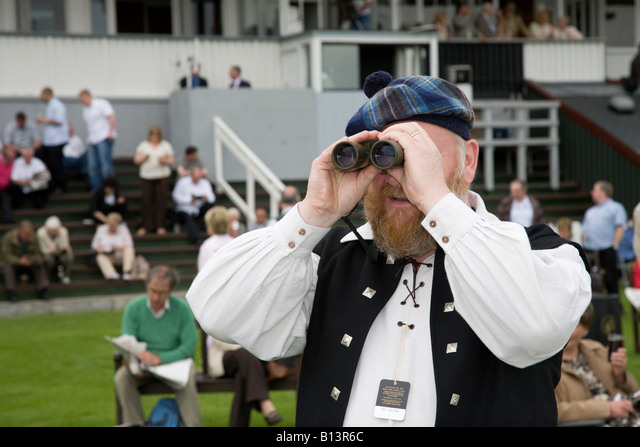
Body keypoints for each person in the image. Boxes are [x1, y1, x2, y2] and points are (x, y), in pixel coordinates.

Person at [186, 70, 592, 426]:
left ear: (468, 161)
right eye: (383, 158)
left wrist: (436, 201)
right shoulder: (335, 257)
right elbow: (219, 313)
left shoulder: (540, 255)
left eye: (421, 156)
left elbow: (531, 328)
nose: (396, 176)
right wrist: (312, 213)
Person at [196, 206, 283, 426]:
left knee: (246, 365)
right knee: (248, 358)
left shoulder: (208, 248)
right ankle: (265, 404)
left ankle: (254, 412)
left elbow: (202, 285)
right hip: (232, 346)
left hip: (230, 342)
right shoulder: (237, 243)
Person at [114, 265, 202, 427]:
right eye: (152, 290)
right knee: (122, 378)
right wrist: (132, 362)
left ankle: (193, 424)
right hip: (144, 363)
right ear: (147, 286)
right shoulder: (134, 308)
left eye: (161, 293)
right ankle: (134, 424)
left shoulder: (182, 309)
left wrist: (160, 358)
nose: (155, 297)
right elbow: (128, 341)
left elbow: (188, 347)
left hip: (175, 363)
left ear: (170, 291)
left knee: (186, 379)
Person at [556, 303, 640, 426]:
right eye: (562, 325)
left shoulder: (596, 350)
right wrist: (608, 409)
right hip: (595, 421)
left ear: (586, 329)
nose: (565, 332)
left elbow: (633, 390)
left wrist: (620, 375)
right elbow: (557, 411)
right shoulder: (545, 367)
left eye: (573, 326)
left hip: (626, 413)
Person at [582, 180, 628, 294]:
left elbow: (620, 227)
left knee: (611, 279)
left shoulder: (616, 208)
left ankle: (613, 306)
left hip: (607, 249)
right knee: (589, 279)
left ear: (603, 192)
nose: (592, 192)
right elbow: (584, 230)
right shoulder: (590, 211)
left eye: (594, 189)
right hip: (590, 250)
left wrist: (614, 245)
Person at [133, 125, 174, 236]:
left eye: (156, 135)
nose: (154, 137)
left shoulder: (165, 145)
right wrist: (144, 158)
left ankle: (160, 226)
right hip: (147, 176)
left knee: (160, 201)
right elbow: (136, 159)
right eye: (152, 135)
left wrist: (164, 159)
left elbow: (171, 159)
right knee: (147, 201)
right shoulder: (144, 145)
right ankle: (146, 226)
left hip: (161, 176)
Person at [78, 89, 117, 192]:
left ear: (88, 97)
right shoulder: (85, 110)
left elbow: (111, 116)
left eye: (83, 100)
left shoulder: (101, 104)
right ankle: (97, 189)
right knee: (92, 166)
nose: (82, 102)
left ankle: (111, 189)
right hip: (92, 139)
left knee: (105, 165)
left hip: (104, 137)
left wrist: (110, 132)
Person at [2, 220, 49, 302]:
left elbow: (39, 254)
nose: (28, 236)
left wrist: (32, 260)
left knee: (40, 265)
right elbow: (6, 255)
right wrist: (19, 261)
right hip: (15, 264)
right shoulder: (8, 237)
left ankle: (43, 290)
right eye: (26, 234)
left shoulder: (34, 238)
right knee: (7, 267)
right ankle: (12, 292)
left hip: (30, 264)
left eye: (30, 233)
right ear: (19, 230)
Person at [36, 87, 69, 193]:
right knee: (42, 157)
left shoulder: (57, 105)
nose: (40, 97)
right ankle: (50, 182)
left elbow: (59, 121)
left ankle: (60, 185)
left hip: (57, 140)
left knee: (56, 163)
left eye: (42, 95)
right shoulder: (50, 105)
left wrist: (44, 120)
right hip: (50, 141)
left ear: (47, 94)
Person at [171, 166, 215, 244]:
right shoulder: (182, 182)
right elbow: (175, 196)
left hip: (199, 209)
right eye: (195, 177)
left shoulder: (205, 183)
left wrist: (204, 197)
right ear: (191, 175)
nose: (197, 179)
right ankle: (195, 238)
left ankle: (208, 229)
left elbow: (212, 198)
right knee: (188, 217)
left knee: (209, 206)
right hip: (184, 209)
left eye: (199, 177)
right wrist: (189, 200)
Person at [91, 212, 135, 280]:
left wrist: (119, 247)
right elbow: (94, 245)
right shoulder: (101, 229)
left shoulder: (124, 229)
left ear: (118, 224)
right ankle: (111, 274)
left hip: (120, 255)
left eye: (113, 226)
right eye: (110, 225)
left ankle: (127, 272)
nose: (111, 227)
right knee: (99, 257)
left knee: (129, 250)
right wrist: (99, 249)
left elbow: (129, 244)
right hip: (108, 255)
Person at [36, 215, 73, 284]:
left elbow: (65, 245)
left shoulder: (63, 231)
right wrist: (50, 251)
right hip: (47, 253)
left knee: (69, 256)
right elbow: (41, 248)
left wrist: (67, 248)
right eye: (52, 230)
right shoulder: (40, 233)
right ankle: (46, 277)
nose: (53, 232)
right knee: (47, 260)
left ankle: (66, 276)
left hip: (60, 252)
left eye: (55, 230)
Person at [0, 146, 16, 223]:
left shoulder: (14, 164)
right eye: (10, 158)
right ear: (5, 157)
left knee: (6, 198)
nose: (12, 159)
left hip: (8, 189)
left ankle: (8, 219)